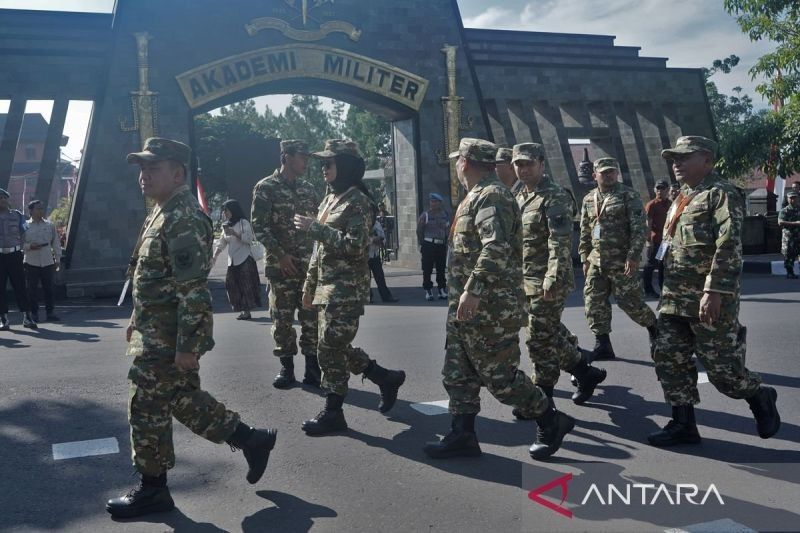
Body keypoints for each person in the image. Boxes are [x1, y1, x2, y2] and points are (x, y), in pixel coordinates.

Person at [107, 138, 277, 519]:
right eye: (141, 169)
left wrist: (188, 345)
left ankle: (153, 490)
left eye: (153, 168)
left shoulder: (182, 217)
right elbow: (154, 277)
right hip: (156, 331)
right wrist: (138, 318)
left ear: (178, 173)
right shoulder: (163, 211)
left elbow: (193, 289)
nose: (143, 176)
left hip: (167, 340)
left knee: (146, 406)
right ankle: (251, 440)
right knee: (182, 400)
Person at [422, 138, 574, 461]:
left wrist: (473, 290)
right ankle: (463, 434)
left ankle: (551, 419)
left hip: (490, 307)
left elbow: (496, 247)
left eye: (458, 161)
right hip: (464, 307)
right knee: (458, 374)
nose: (457, 167)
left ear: (465, 162)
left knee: (501, 379)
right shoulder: (475, 195)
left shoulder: (492, 195)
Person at [648, 135, 780, 446]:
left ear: (707, 159)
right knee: (669, 359)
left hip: (708, 298)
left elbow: (729, 245)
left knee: (724, 373)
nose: (676, 162)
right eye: (674, 157)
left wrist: (715, 290)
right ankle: (683, 424)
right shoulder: (682, 196)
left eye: (684, 156)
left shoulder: (721, 194)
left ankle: (759, 395)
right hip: (674, 297)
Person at [293, 139, 406, 435]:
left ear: (345, 166)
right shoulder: (330, 199)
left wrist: (314, 228)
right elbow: (319, 252)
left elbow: (355, 247)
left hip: (346, 289)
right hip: (325, 287)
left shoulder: (359, 202)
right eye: (321, 164)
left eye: (328, 164)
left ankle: (333, 412)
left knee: (329, 347)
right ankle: (384, 377)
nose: (323, 169)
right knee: (332, 345)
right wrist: (308, 285)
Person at [512, 143, 606, 415]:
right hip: (525, 281)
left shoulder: (555, 196)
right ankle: (584, 371)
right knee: (549, 334)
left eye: (528, 163)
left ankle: (543, 402)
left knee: (538, 340)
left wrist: (551, 277)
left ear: (542, 164)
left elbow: (560, 242)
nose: (523, 169)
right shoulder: (520, 196)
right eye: (518, 164)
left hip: (548, 281)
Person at [251, 140, 321, 389]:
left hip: (307, 266)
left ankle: (313, 368)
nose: (306, 162)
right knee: (281, 319)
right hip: (280, 268)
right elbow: (259, 226)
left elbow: (317, 222)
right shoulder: (266, 187)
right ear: (286, 157)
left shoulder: (308, 188)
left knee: (311, 317)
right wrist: (280, 255)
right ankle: (287, 368)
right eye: (302, 157)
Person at [578, 157, 657, 360]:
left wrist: (633, 256)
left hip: (622, 262)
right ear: (595, 175)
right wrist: (584, 258)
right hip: (596, 261)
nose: (609, 175)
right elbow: (585, 231)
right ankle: (603, 344)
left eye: (612, 171)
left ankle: (656, 330)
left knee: (631, 303)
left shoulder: (628, 195)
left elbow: (639, 229)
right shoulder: (589, 199)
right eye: (604, 172)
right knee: (593, 302)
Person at [212, 199, 262, 320]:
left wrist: (235, 233)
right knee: (231, 285)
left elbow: (248, 239)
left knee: (246, 285)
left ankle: (246, 311)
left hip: (245, 259)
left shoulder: (243, 222)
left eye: (227, 210)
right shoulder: (226, 224)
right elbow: (222, 242)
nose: (225, 213)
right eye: (224, 211)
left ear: (233, 210)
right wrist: (215, 255)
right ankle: (241, 308)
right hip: (232, 260)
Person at [0, 187, 36, 330]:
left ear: (8, 199)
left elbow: (24, 233)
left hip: (15, 255)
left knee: (20, 286)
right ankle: (3, 318)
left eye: (4, 197)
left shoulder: (18, 215)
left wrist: (22, 248)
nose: (2, 200)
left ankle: (27, 317)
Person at [23, 199, 62, 322]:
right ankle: (33, 313)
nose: (41, 210)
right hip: (31, 260)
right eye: (38, 208)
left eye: (42, 208)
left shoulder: (49, 225)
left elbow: (55, 242)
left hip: (47, 259)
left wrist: (57, 258)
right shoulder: (25, 225)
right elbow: (19, 243)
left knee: (49, 288)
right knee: (31, 289)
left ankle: (50, 312)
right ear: (31, 211)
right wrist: (29, 246)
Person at [416, 192, 450, 301]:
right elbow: (419, 230)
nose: (433, 204)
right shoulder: (425, 215)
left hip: (440, 245)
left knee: (441, 268)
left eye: (435, 202)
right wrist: (423, 243)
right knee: (427, 269)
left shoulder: (445, 215)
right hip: (428, 244)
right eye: (431, 201)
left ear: (440, 203)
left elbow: (447, 229)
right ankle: (428, 290)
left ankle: (441, 289)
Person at [642, 179, 671, 297]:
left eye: (662, 188)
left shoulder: (670, 203)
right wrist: (648, 241)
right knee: (650, 265)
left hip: (666, 241)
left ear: (667, 190)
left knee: (662, 265)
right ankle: (648, 288)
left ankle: (663, 288)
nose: (659, 191)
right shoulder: (652, 205)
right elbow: (648, 223)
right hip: (656, 241)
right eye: (657, 188)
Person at [368, 214, 399, 303]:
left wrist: (380, 240)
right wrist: (372, 239)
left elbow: (383, 238)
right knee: (366, 279)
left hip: (375, 254)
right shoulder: (361, 224)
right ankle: (368, 298)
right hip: (364, 255)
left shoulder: (377, 224)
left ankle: (386, 297)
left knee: (380, 278)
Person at [778, 191, 800, 279]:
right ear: (787, 199)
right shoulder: (784, 210)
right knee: (789, 256)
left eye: (794, 197)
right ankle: (790, 272)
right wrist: (796, 223)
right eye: (791, 198)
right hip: (789, 237)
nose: (793, 200)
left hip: (799, 236)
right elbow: (780, 222)